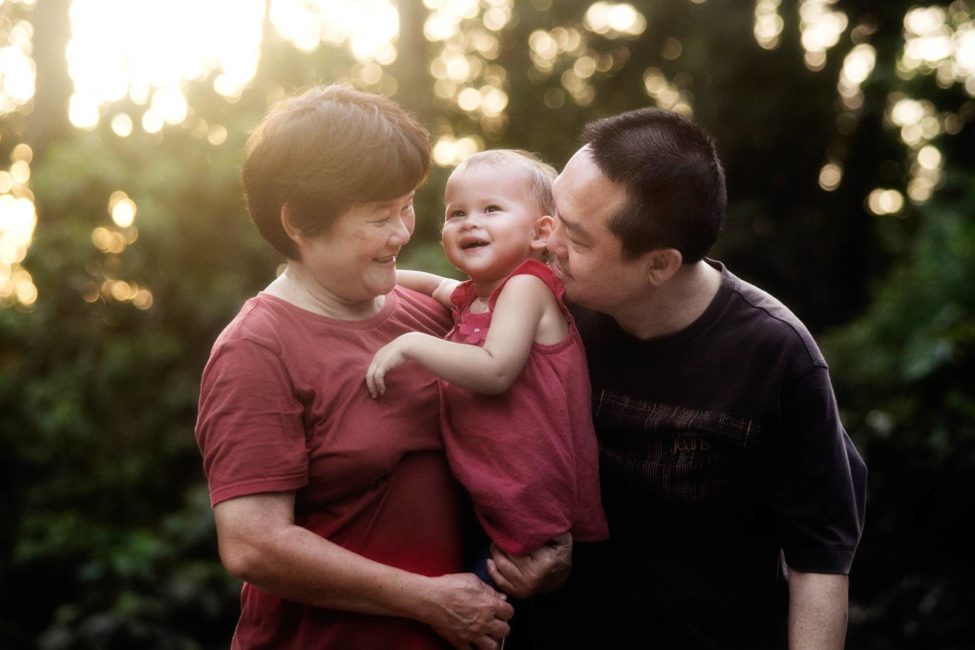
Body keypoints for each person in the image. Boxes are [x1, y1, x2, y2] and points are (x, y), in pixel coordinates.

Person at [194, 84, 515, 649]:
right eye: (378, 217)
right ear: (297, 222)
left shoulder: (431, 313)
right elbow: (253, 544)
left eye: (407, 206)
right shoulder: (257, 348)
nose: (402, 232)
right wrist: (427, 598)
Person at [539, 108, 868, 649]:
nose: (547, 243)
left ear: (660, 265)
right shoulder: (542, 307)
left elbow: (820, 557)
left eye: (576, 238)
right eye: (553, 213)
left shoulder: (776, 354)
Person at [365, 150, 608, 573]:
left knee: (491, 615)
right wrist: (364, 274)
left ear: (541, 232)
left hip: (532, 503)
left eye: (491, 209)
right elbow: (434, 283)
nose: (469, 222)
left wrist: (411, 344)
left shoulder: (527, 287)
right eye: (456, 212)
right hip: (494, 497)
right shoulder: (475, 295)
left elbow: (495, 370)